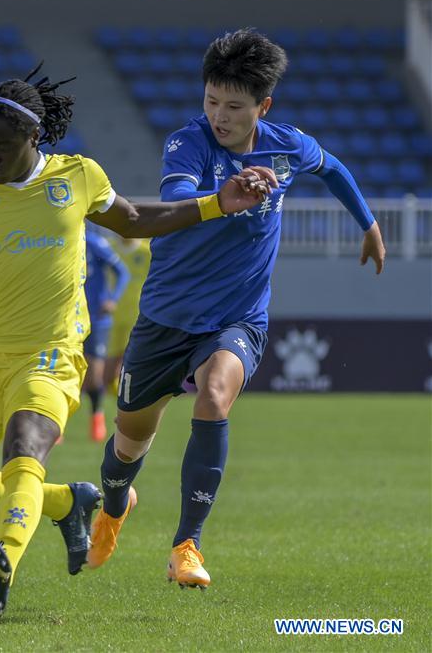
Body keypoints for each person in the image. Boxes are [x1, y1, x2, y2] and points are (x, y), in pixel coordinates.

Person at [0, 64, 277, 616]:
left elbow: (137, 218)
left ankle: (4, 561)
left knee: (24, 448)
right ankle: (67, 503)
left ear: (33, 138)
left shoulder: (78, 177)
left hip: (51, 356)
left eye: (0, 146)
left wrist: (217, 202)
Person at [87, 29, 386, 590]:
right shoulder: (188, 143)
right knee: (128, 445)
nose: (219, 116)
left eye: (234, 106)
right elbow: (176, 203)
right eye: (211, 101)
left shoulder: (285, 145)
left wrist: (367, 224)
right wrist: (230, 194)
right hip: (166, 317)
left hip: (236, 317)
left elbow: (334, 168)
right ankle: (114, 504)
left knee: (216, 396)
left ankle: (186, 545)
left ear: (262, 107)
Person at [82, 223, 130, 442]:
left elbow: (122, 272)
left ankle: (96, 415)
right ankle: (57, 425)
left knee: (93, 376)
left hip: (97, 319)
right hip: (68, 318)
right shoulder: (56, 243)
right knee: (66, 372)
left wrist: (112, 299)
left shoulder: (93, 242)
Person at [104, 236, 151, 396]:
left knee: (132, 363)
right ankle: (123, 400)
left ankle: (135, 400)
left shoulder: (148, 250)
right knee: (109, 373)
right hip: (111, 316)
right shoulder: (107, 247)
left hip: (138, 315)